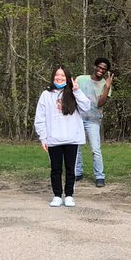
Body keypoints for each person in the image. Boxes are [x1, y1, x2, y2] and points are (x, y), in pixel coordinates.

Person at [34, 66, 91, 207]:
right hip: (53, 138)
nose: (59, 78)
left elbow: (87, 107)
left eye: (63, 76)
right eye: (57, 75)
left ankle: (69, 195)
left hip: (72, 138)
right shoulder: (46, 95)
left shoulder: (74, 93)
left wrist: (76, 90)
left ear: (68, 78)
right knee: (56, 169)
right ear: (53, 77)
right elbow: (40, 118)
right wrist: (43, 137)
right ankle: (57, 195)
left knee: (71, 168)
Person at [75, 58, 113, 187]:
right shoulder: (80, 79)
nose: (101, 70)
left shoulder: (105, 84)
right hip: (78, 118)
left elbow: (100, 104)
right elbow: (71, 94)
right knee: (77, 148)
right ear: (95, 66)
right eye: (100, 67)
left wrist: (107, 87)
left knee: (95, 149)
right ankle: (77, 173)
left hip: (93, 120)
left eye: (104, 69)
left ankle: (99, 176)